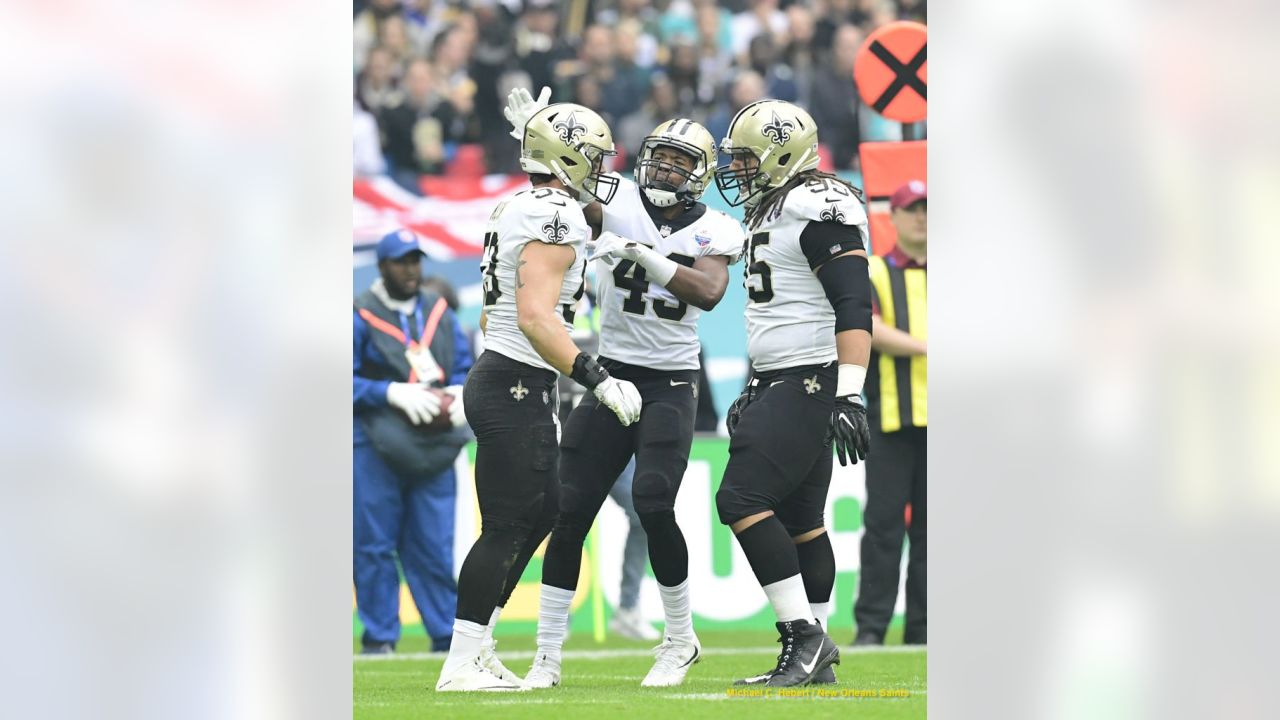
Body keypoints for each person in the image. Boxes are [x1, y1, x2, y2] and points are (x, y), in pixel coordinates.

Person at [505, 88, 746, 689]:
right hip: (611, 373)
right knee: (569, 511)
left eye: (679, 162)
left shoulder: (718, 226)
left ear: (701, 174)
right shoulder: (613, 199)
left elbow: (709, 292)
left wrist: (644, 255)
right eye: (659, 157)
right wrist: (544, 139)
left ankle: (679, 639)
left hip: (670, 383)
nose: (665, 169)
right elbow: (565, 194)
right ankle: (548, 655)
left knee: (655, 502)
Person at [434, 103, 643, 692]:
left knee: (544, 510)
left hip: (512, 378)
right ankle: (461, 661)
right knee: (505, 524)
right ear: (569, 157)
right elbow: (534, 316)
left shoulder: (523, 206)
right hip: (514, 381)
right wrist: (598, 377)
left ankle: (481, 646)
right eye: (593, 156)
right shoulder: (554, 215)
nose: (599, 168)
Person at [713, 99, 874, 687]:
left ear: (783, 154)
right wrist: (757, 382)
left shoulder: (817, 205)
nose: (740, 171)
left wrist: (849, 392)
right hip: (784, 376)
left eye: (748, 159)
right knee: (803, 520)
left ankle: (804, 639)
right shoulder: (777, 208)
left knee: (740, 500)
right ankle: (816, 660)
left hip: (809, 377)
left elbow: (854, 303)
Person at [353, 229, 473, 655]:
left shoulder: (437, 310)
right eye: (401, 261)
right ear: (382, 266)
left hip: (434, 444)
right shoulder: (358, 312)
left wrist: (462, 392)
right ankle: (380, 637)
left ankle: (446, 635)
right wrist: (386, 392)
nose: (411, 269)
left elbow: (463, 365)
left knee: (433, 545)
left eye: (415, 260)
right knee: (373, 545)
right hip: (374, 443)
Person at [853, 180, 928, 646]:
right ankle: (871, 628)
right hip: (890, 419)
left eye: (927, 210)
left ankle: (922, 629)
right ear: (893, 218)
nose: (922, 217)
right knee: (882, 527)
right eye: (913, 209)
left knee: (931, 533)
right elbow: (869, 327)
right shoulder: (876, 270)